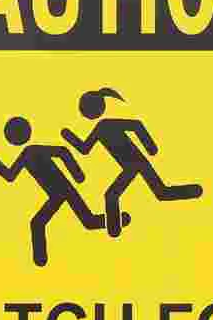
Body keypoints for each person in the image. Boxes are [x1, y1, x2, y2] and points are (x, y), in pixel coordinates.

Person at [62, 87, 203, 238]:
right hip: (134, 165)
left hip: (135, 164)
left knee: (118, 195)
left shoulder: (105, 125)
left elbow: (136, 125)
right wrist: (69, 136)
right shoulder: (101, 128)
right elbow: (85, 149)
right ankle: (194, 191)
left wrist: (150, 147)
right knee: (158, 192)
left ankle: (115, 229)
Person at [0, 115, 104, 267]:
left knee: (87, 221)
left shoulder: (31, 151)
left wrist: (77, 175)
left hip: (64, 189)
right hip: (57, 194)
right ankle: (40, 259)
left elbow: (62, 151)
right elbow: (10, 176)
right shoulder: (26, 155)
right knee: (39, 223)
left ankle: (120, 219)